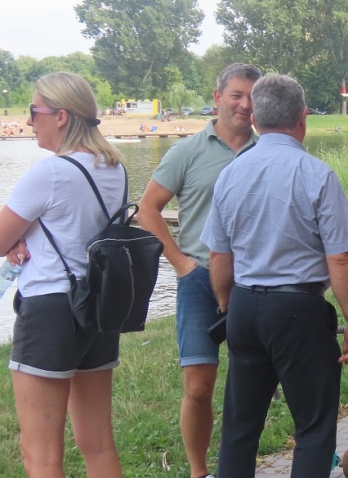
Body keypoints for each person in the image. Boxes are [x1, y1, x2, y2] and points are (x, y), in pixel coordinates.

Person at [202, 73, 348, 478]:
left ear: (255, 119)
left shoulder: (231, 174)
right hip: (298, 309)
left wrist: (226, 303)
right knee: (313, 427)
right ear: (303, 117)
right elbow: (341, 259)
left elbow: (219, 255)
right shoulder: (316, 174)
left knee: (240, 428)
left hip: (244, 305)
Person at [0, 72, 126, 477]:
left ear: (62, 116)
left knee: (41, 454)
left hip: (50, 310)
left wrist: (16, 236)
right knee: (98, 443)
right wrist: (23, 233)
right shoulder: (114, 168)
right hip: (96, 308)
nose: (29, 120)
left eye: (34, 111)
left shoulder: (49, 173)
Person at [136, 63, 261, 478]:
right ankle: (198, 472)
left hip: (253, 284)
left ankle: (241, 466)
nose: (244, 105)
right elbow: (147, 209)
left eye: (252, 97)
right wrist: (181, 263)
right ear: (218, 97)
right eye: (236, 95)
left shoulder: (267, 151)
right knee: (198, 386)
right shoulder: (187, 151)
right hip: (199, 281)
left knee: (255, 385)